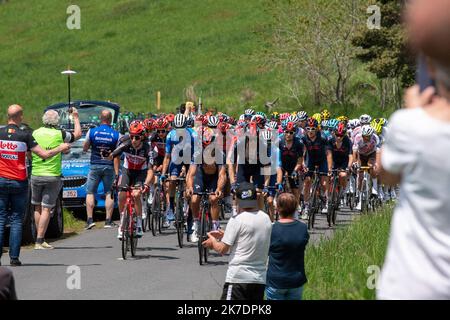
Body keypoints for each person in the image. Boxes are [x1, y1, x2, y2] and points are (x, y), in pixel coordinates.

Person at [376, 0, 450, 300]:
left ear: (430, 66)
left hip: (414, 287)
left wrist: (412, 113)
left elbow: (386, 174)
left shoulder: (410, 126)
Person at [0, 105, 70, 266]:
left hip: (1, 179)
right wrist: (60, 147)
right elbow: (44, 155)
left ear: (7, 116)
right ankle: (14, 258)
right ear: (20, 117)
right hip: (18, 181)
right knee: (17, 219)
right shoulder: (24, 135)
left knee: (1, 218)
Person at [202, 182, 272, 300]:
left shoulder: (236, 220)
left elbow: (222, 249)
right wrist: (228, 234)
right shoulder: (265, 219)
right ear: (255, 198)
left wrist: (212, 242)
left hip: (238, 279)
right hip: (259, 279)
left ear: (238, 200)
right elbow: (253, 235)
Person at [31, 109, 81, 250]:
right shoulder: (60, 134)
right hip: (52, 175)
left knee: (37, 206)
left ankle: (39, 238)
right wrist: (76, 117)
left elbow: (29, 152)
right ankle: (40, 240)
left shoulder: (35, 133)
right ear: (57, 121)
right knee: (47, 208)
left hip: (36, 173)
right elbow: (77, 135)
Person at [111, 121, 154, 239]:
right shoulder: (125, 142)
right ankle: (122, 222)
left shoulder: (147, 148)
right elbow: (115, 156)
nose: (134, 140)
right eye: (132, 136)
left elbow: (150, 170)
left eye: (137, 137)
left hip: (141, 173)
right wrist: (116, 175)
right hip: (127, 171)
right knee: (121, 194)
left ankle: (139, 223)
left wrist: (146, 184)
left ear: (142, 136)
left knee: (136, 194)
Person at [265, 193, 309, 300]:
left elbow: (265, 251)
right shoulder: (303, 228)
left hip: (276, 280)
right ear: (295, 208)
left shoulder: (271, 229)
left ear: (278, 208)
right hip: (296, 279)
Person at [83, 110, 120, 229]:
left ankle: (89, 220)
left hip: (94, 164)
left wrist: (93, 148)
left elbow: (85, 147)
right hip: (108, 165)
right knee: (109, 192)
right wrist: (117, 171)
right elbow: (117, 154)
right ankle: (108, 221)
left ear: (100, 118)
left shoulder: (92, 132)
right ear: (110, 119)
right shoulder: (116, 134)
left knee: (90, 192)